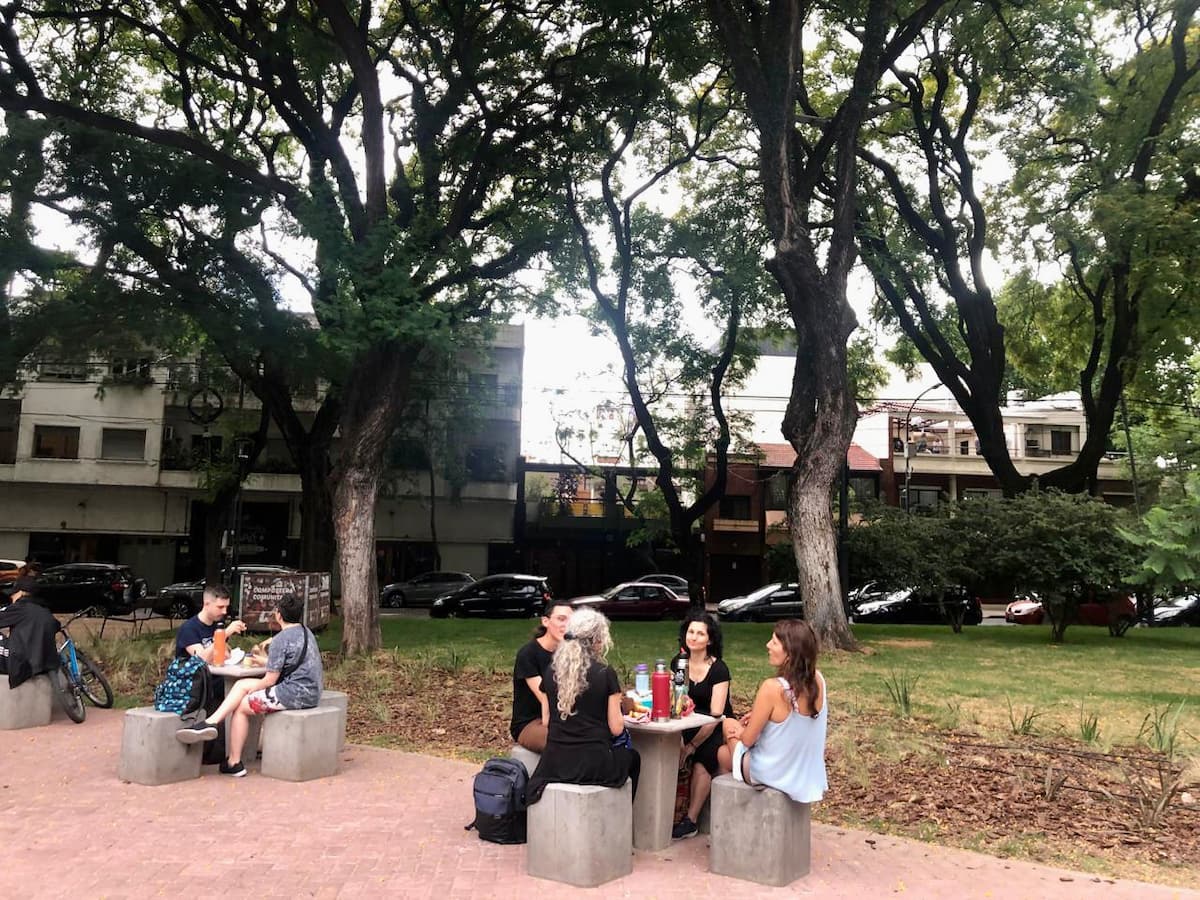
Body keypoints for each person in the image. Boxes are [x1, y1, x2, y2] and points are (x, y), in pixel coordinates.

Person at [176, 592, 323, 777]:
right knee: (242, 686)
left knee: (242, 706)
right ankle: (211, 723)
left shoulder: (280, 639)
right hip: (312, 692)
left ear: (278, 614)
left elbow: (269, 681)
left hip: (293, 695)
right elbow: (289, 663)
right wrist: (262, 662)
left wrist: (252, 689)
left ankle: (233, 761)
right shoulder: (306, 632)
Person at [525, 607, 640, 804]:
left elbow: (546, 721)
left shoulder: (551, 671)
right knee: (633, 758)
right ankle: (624, 818)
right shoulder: (605, 673)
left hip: (555, 762)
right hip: (594, 763)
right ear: (597, 640)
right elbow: (616, 728)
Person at [717, 619, 827, 803]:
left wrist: (741, 731)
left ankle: (732, 808)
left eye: (774, 642)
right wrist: (761, 717)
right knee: (722, 754)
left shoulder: (772, 688)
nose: (767, 645)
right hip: (805, 772)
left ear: (790, 653)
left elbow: (747, 740)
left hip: (774, 772)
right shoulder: (818, 680)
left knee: (728, 723)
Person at [670, 612, 734, 840]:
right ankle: (667, 812)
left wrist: (691, 746)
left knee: (702, 761)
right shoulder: (679, 663)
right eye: (691, 632)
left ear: (710, 640)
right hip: (687, 722)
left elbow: (716, 714)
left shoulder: (719, 669)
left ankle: (691, 821)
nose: (694, 637)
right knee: (667, 751)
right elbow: (675, 702)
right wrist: (678, 738)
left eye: (700, 633)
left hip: (713, 727)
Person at [510, 601, 572, 752]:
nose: (567, 625)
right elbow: (546, 697)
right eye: (561, 619)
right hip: (531, 723)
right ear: (545, 621)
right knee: (568, 742)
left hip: (564, 719)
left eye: (571, 620)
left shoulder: (571, 654)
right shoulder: (528, 654)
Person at [0, 576, 60, 686]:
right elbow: (57, 626)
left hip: (23, 664)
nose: (11, 597)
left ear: (21, 593)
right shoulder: (45, 611)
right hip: (46, 663)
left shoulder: (20, 607)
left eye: (13, 594)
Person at [176, 583, 247, 661]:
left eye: (226, 607)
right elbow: (201, 659)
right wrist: (224, 634)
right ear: (206, 604)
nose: (224, 611)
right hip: (192, 669)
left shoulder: (218, 624)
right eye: (220, 607)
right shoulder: (189, 628)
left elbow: (225, 654)